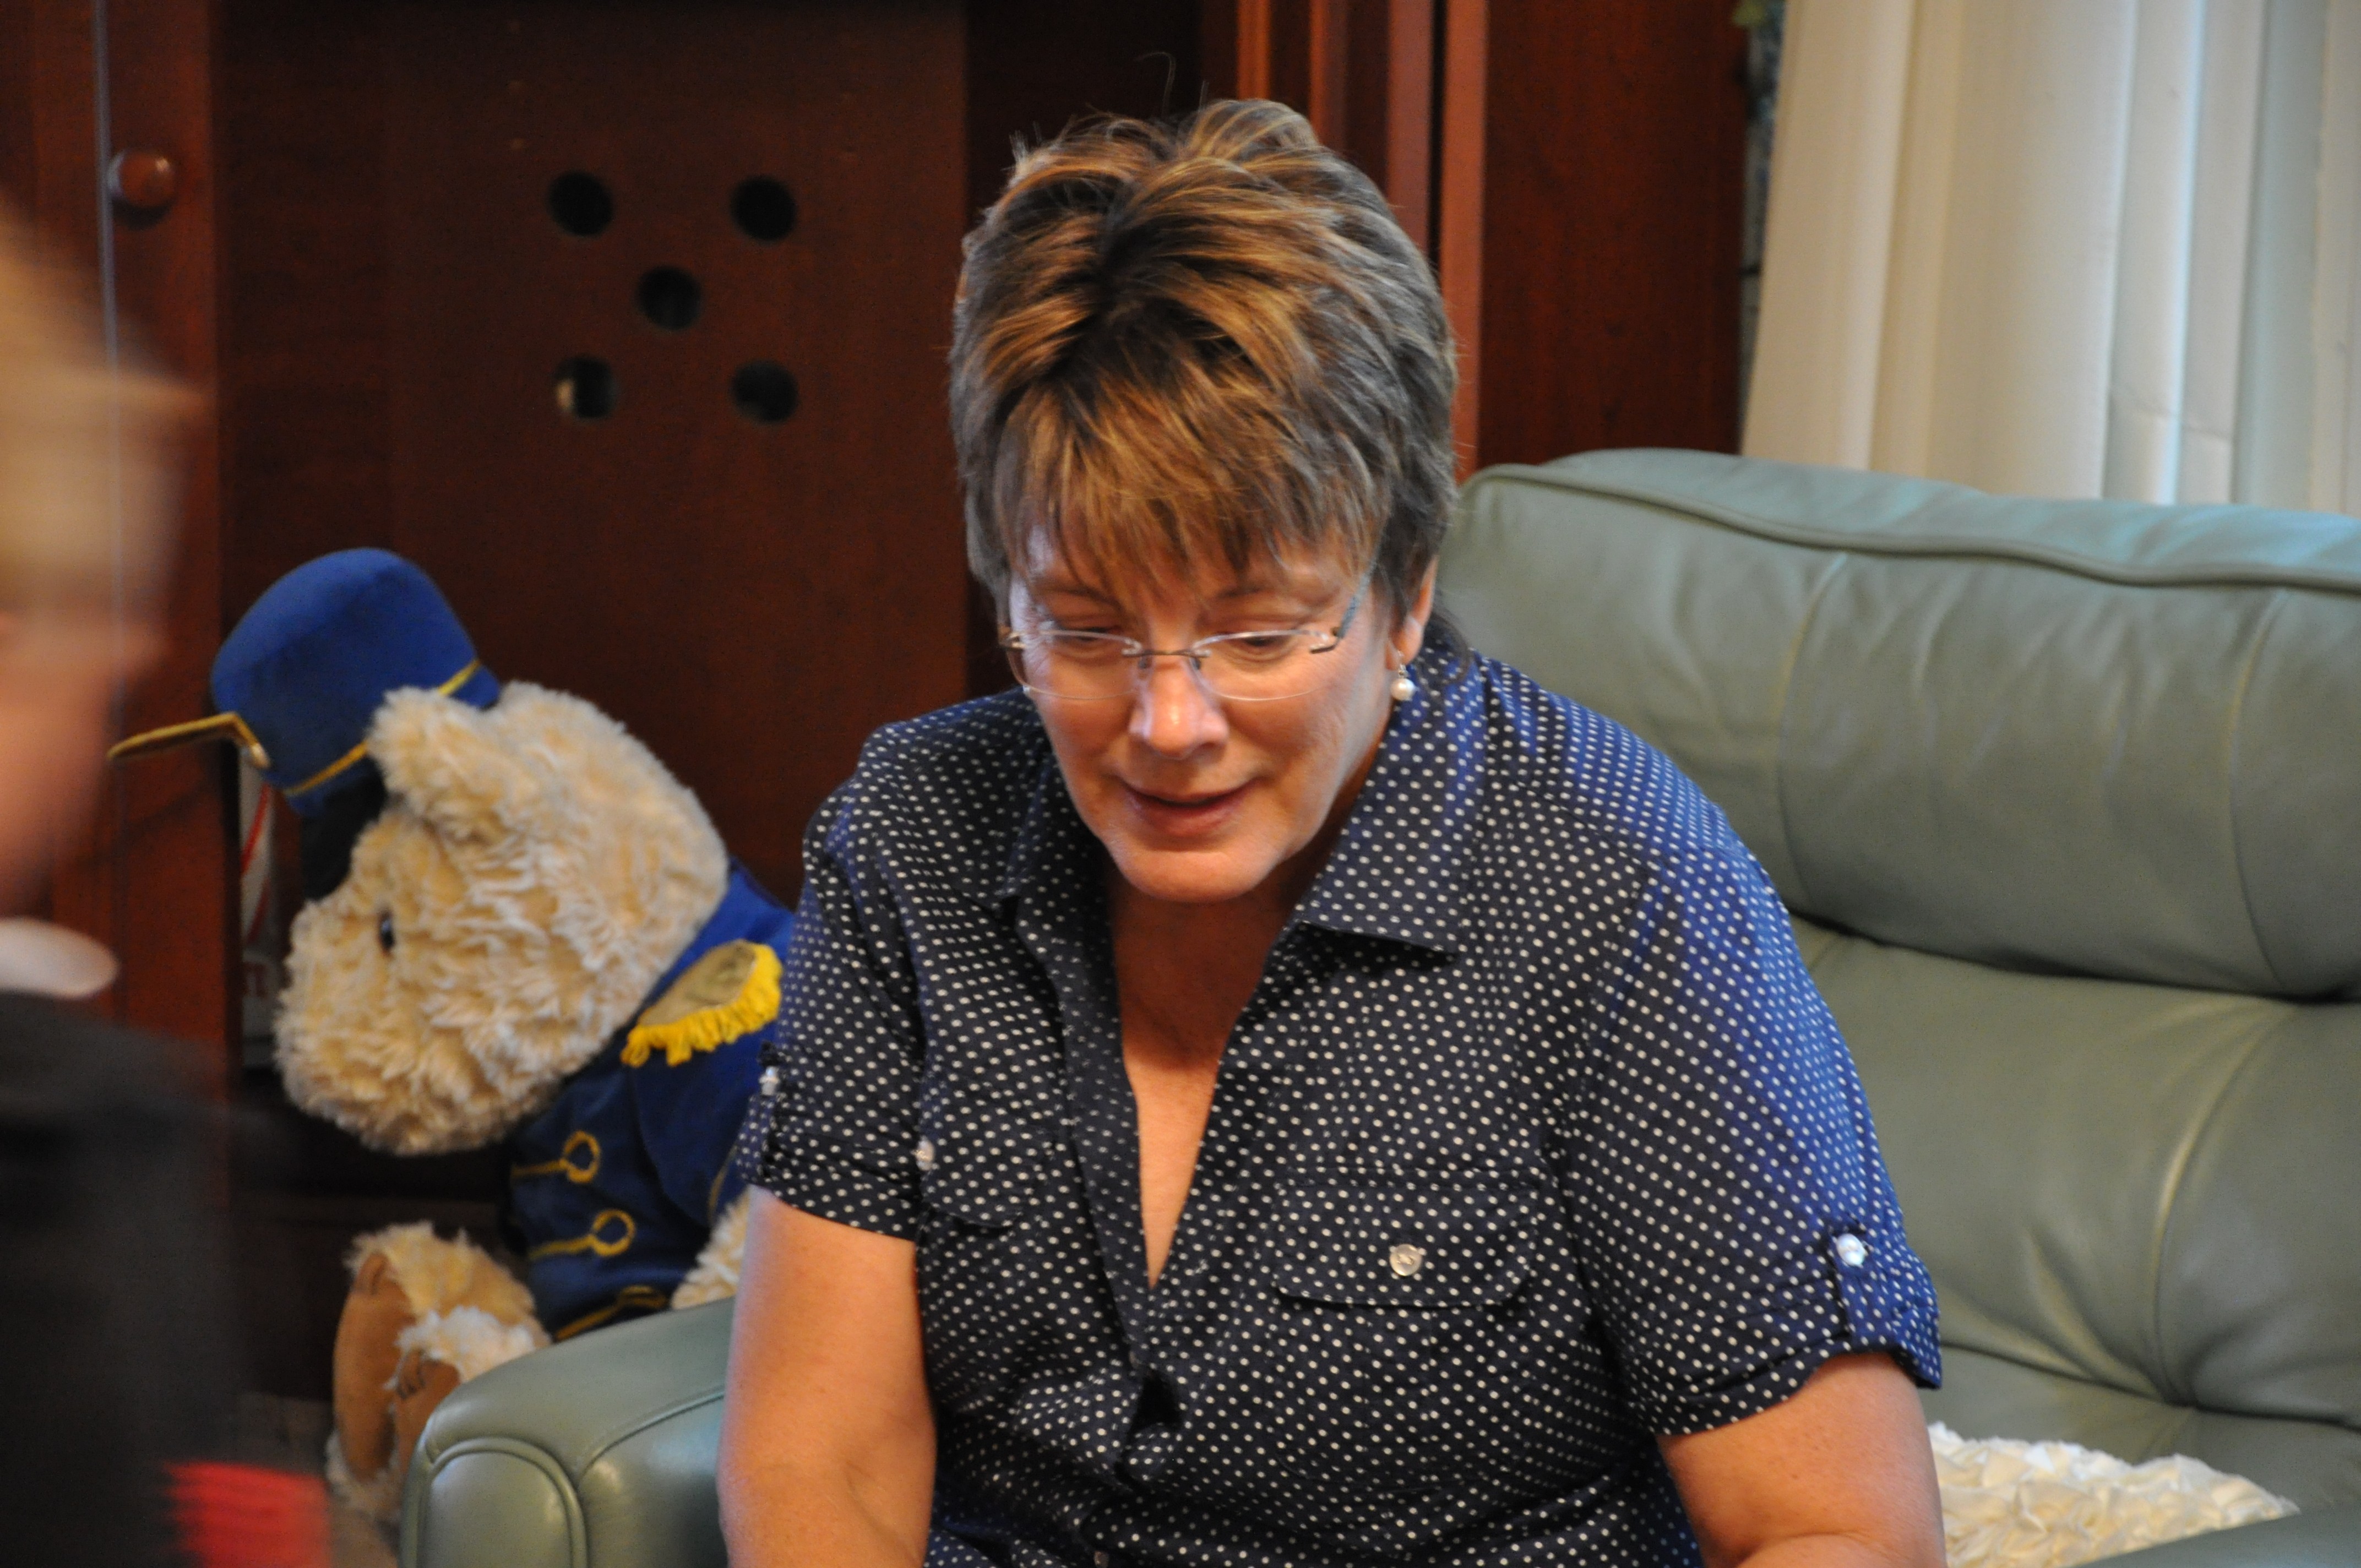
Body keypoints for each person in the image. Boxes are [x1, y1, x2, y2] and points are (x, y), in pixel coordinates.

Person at [719, 101, 1945, 1568]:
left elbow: (1836, 1533)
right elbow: (823, 1465)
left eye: (1257, 633)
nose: (1169, 722)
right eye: (1089, 630)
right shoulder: (912, 835)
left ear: (1405, 592)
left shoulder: (1615, 885)